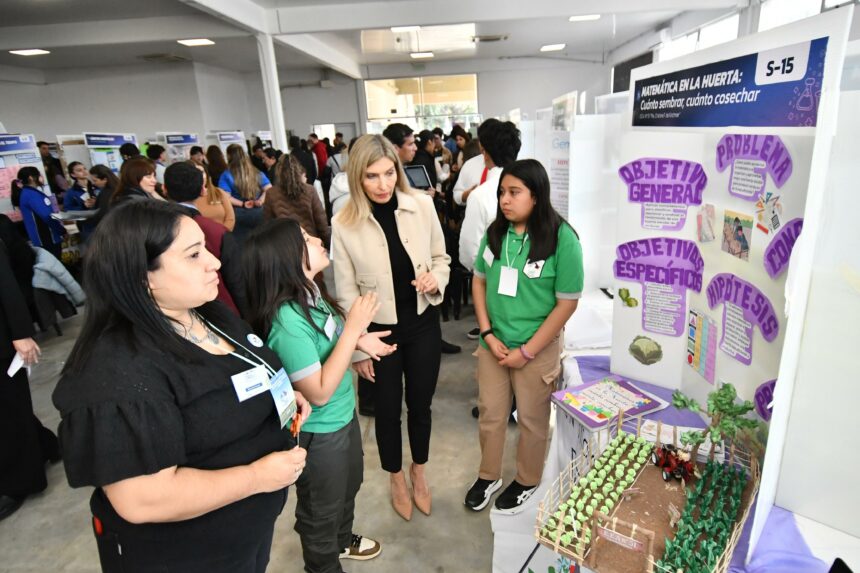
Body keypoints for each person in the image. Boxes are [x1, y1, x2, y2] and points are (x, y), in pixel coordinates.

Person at [52, 200, 311, 572]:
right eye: (193, 255)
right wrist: (256, 477)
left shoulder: (205, 313)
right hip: (187, 555)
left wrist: (282, 396)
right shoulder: (118, 371)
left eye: (205, 248)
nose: (215, 262)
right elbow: (143, 499)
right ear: (143, 276)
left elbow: (241, 373)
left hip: (245, 536)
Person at [244, 219, 390, 572]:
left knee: (350, 485)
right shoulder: (287, 321)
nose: (317, 239)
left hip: (344, 417)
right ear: (287, 258)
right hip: (320, 432)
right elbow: (319, 393)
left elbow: (327, 350)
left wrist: (356, 347)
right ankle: (323, 564)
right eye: (306, 239)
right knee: (321, 511)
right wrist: (354, 328)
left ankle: (341, 541)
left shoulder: (311, 296)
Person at [332, 134, 450, 521]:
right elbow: (345, 293)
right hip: (378, 335)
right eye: (371, 176)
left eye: (388, 173)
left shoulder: (420, 205)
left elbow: (441, 257)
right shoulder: (344, 223)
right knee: (385, 411)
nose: (383, 184)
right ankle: (395, 477)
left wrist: (436, 278)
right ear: (356, 178)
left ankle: (419, 470)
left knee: (420, 404)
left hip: (422, 324)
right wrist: (358, 348)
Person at [464, 159, 583, 514]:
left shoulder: (563, 238)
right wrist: (486, 332)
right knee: (491, 413)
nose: (505, 200)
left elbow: (566, 304)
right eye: (502, 192)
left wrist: (528, 351)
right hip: (494, 343)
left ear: (537, 195)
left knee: (532, 419)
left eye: (514, 192)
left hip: (537, 348)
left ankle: (528, 479)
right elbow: (479, 280)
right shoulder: (496, 233)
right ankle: (489, 476)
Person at [0, 217, 61, 522]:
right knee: (11, 409)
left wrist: (21, 333)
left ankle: (21, 481)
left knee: (9, 409)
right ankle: (48, 444)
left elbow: (6, 284)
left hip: (4, 340)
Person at [163, 162, 241, 315]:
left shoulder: (154, 228)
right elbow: (237, 282)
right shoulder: (215, 231)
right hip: (220, 310)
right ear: (202, 190)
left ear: (164, 189)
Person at [459, 119, 521, 272]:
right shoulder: (530, 187)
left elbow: (468, 253)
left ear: (485, 153)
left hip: (491, 278)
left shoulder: (480, 196)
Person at [263, 155, 329, 247]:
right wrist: (327, 242)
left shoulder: (271, 194)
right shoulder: (310, 190)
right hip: (310, 243)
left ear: (278, 172)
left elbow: (268, 225)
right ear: (298, 170)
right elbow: (321, 221)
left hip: (285, 246)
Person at [218, 144, 272, 242]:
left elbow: (226, 196)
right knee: (263, 241)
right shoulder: (256, 172)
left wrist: (243, 204)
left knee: (243, 244)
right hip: (259, 212)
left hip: (239, 215)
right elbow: (269, 188)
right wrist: (260, 200)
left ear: (229, 156)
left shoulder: (226, 175)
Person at [14, 166, 65, 259]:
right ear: (31, 178)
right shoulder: (31, 194)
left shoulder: (29, 193)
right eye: (39, 175)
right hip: (47, 238)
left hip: (45, 238)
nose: (41, 177)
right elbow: (47, 216)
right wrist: (60, 229)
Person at [194, 164, 236, 231]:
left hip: (224, 236)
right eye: (195, 173)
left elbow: (230, 218)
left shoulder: (218, 192)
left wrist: (221, 235)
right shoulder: (187, 199)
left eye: (202, 172)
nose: (200, 176)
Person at [86, 164, 119, 229]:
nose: (93, 183)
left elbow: (103, 214)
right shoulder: (119, 187)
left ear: (105, 179)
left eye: (95, 180)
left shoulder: (107, 192)